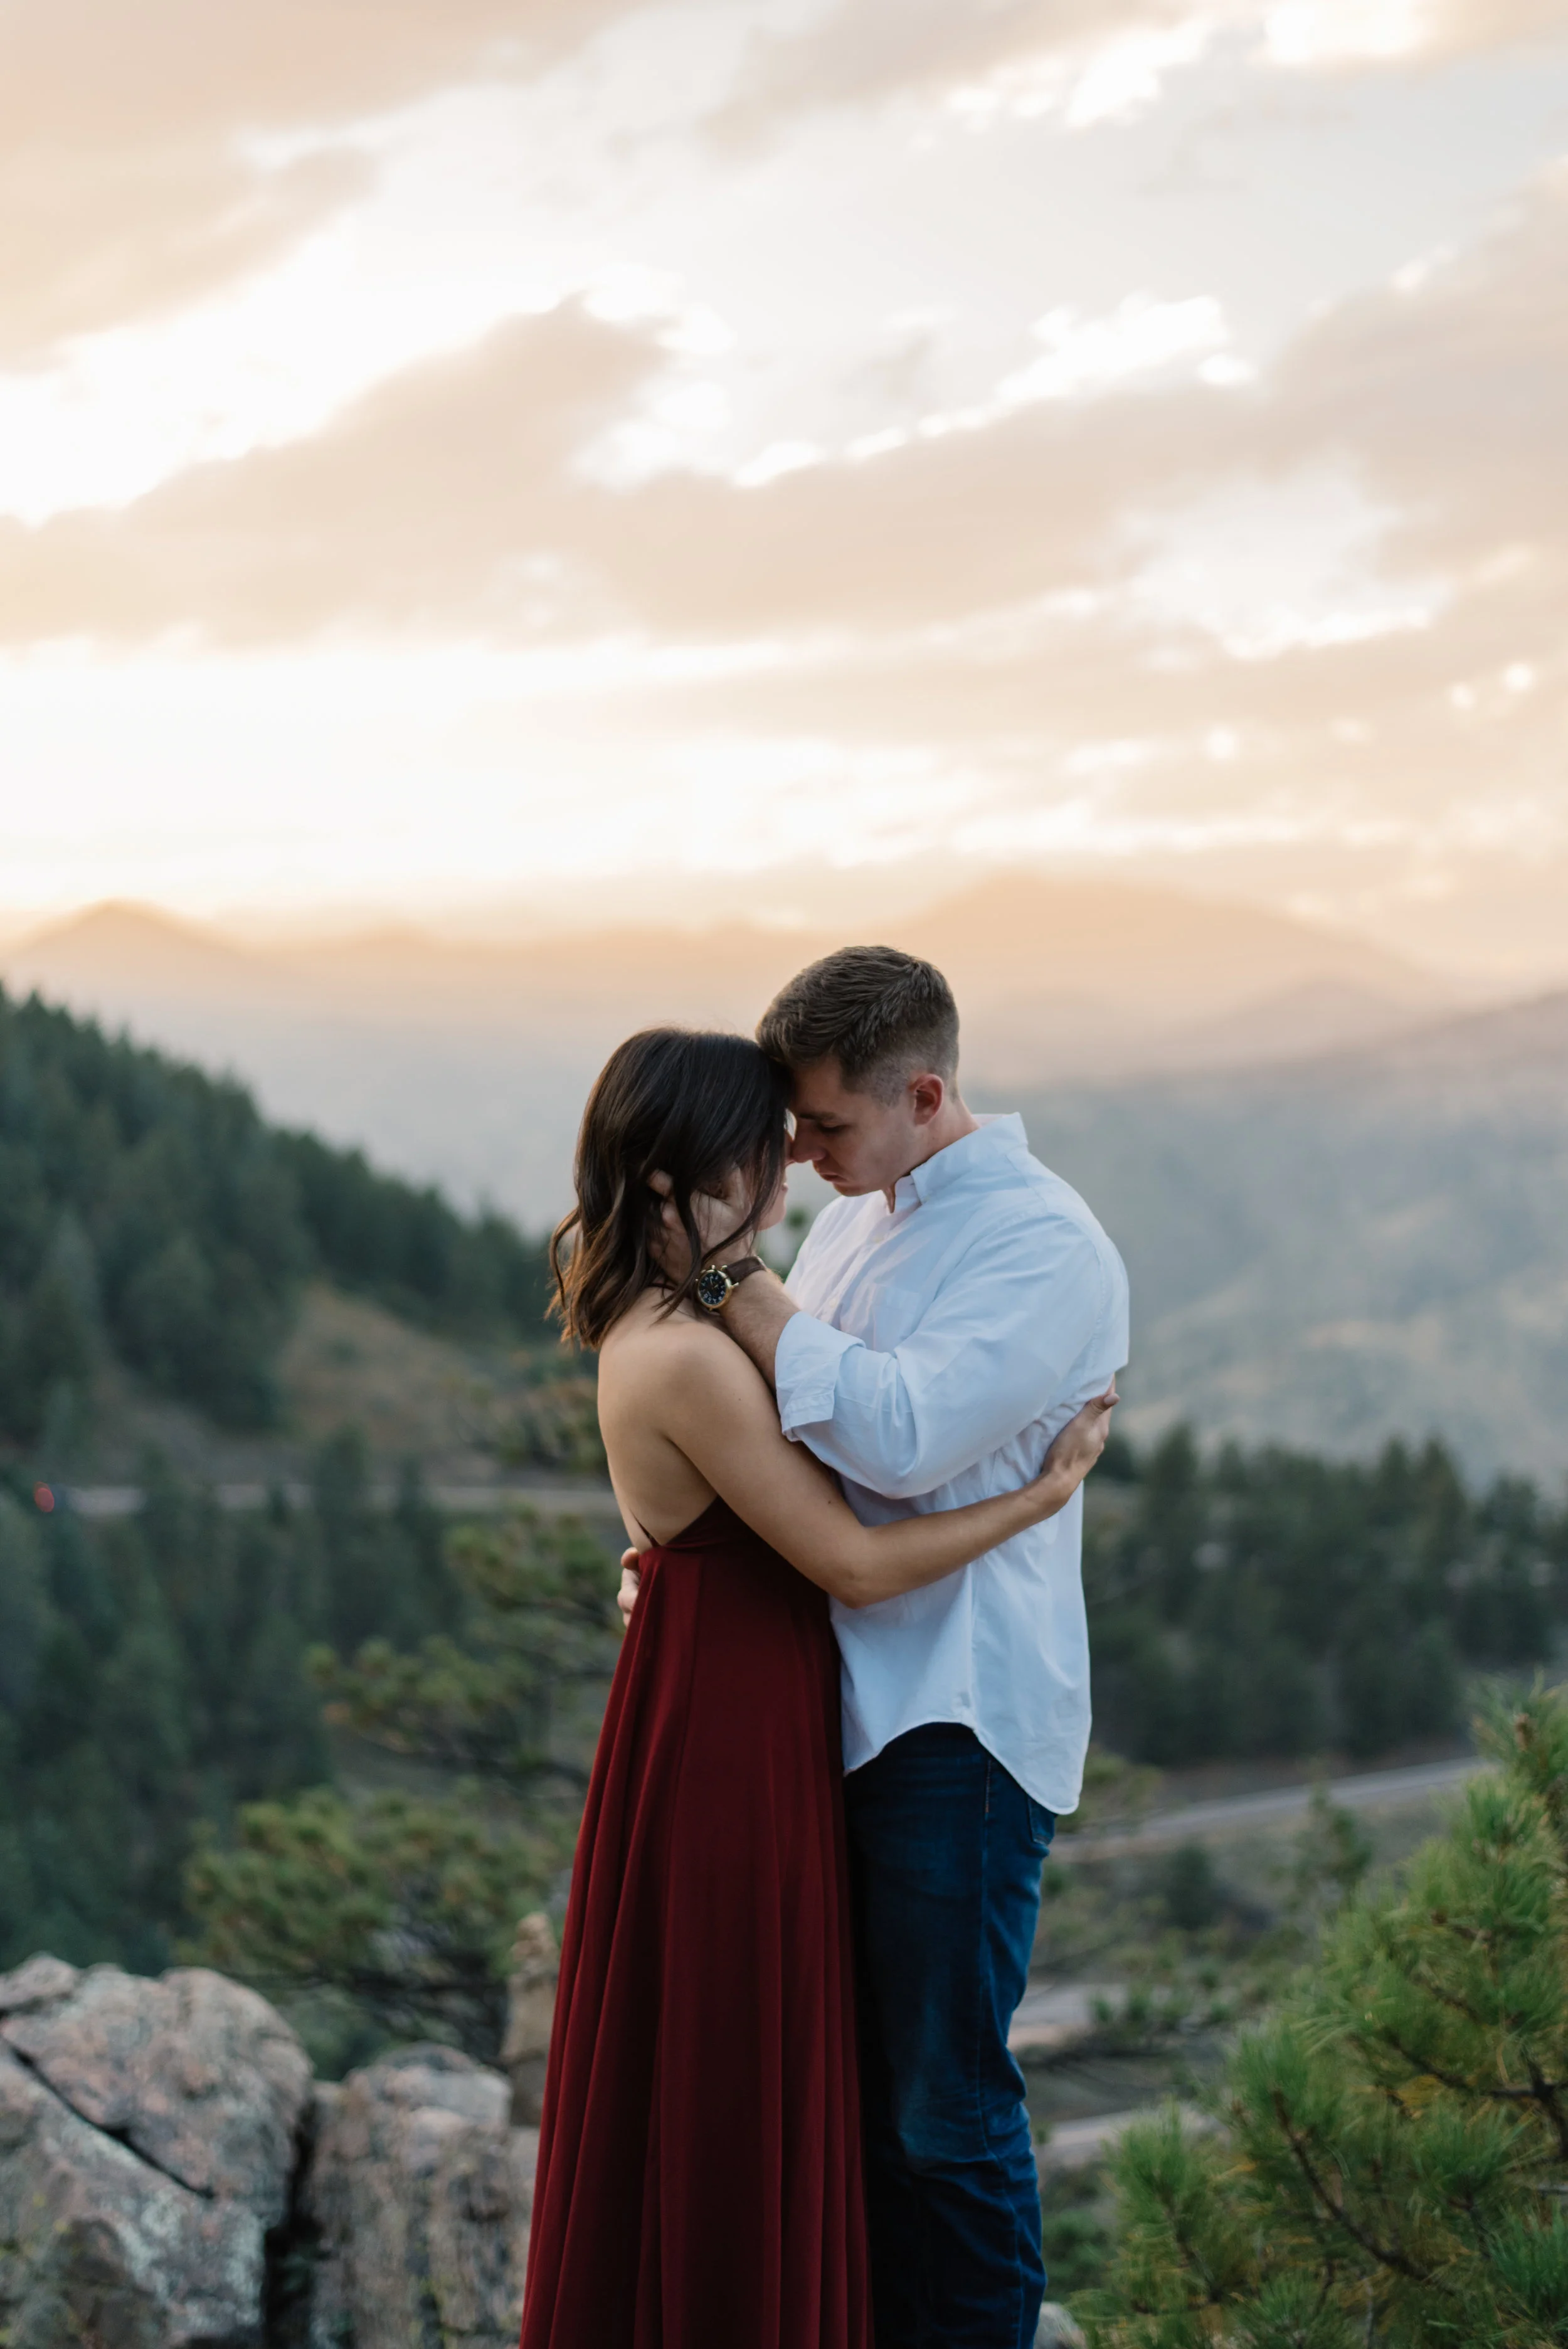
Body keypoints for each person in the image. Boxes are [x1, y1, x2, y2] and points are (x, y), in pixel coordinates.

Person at [517, 1025, 1117, 2349]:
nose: (790, 1170)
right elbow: (847, 1552)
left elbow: (820, 1455)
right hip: (746, 1721)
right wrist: (1039, 1496)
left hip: (794, 1707)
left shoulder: (725, 1298)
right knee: (786, 2074)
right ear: (685, 1177)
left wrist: (684, 1566)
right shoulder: (691, 1334)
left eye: (808, 1136)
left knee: (873, 2089)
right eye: (765, 1149)